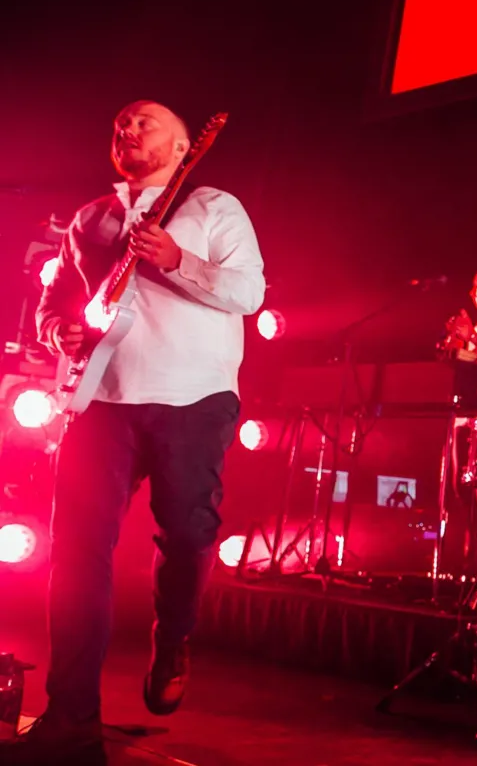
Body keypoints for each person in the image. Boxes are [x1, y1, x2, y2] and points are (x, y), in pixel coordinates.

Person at [5, 100, 265, 764]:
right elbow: (54, 296)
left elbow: (248, 294)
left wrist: (177, 258)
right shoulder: (93, 217)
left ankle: (173, 634)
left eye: (145, 122)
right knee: (77, 556)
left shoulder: (215, 207)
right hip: (102, 401)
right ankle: (73, 717)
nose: (128, 130)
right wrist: (55, 327)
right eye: (120, 124)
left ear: (185, 145)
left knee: (187, 534)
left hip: (194, 398)